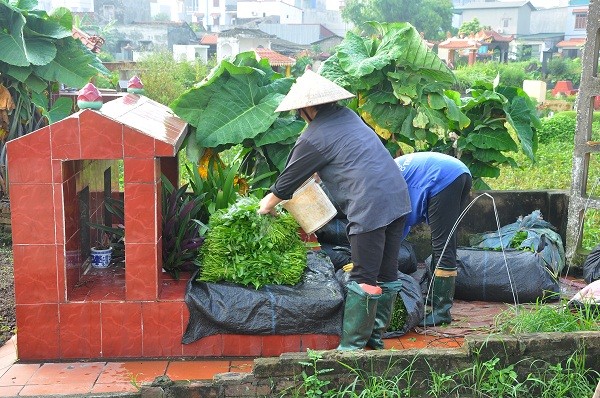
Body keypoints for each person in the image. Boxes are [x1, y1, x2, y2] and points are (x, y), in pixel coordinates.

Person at [258, 70, 411, 350]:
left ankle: (351, 350)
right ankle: (375, 341)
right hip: (397, 197)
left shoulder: (313, 136)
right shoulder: (349, 118)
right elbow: (343, 158)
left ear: (306, 108)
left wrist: (265, 207)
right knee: (387, 273)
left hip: (369, 205)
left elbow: (287, 182)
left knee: (364, 275)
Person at [394, 152, 472, 327]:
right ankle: (434, 297)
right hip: (457, 170)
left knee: (443, 244)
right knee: (443, 240)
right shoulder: (382, 180)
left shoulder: (380, 196)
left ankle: (441, 312)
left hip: (441, 176)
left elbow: (391, 238)